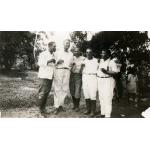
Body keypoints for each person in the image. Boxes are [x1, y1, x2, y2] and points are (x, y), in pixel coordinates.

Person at [53, 39, 74, 114]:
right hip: (59, 70)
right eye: (66, 43)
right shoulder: (57, 52)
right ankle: (56, 106)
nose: (67, 45)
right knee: (58, 88)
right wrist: (57, 62)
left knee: (65, 88)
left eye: (68, 44)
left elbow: (71, 63)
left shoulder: (71, 54)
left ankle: (61, 105)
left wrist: (70, 66)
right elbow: (53, 62)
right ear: (63, 44)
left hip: (67, 71)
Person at [97, 50, 119, 118]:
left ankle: (107, 115)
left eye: (104, 53)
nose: (102, 54)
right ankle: (102, 113)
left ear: (108, 54)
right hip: (100, 80)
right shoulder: (100, 60)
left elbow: (115, 72)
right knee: (101, 97)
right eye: (102, 53)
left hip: (108, 80)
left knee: (107, 97)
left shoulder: (112, 62)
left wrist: (106, 72)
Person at [38, 41, 56, 115]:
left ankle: (43, 108)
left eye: (55, 46)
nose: (55, 47)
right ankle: (41, 109)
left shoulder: (54, 55)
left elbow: (53, 66)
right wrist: (49, 61)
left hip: (50, 76)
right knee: (42, 93)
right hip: (44, 76)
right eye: (54, 46)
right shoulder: (43, 54)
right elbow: (39, 63)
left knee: (46, 93)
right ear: (49, 46)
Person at [81, 48, 98, 117]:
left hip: (93, 77)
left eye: (90, 52)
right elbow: (82, 68)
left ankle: (93, 111)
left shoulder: (96, 60)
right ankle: (88, 110)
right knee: (86, 94)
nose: (88, 54)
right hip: (85, 77)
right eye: (87, 52)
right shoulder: (84, 60)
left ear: (92, 53)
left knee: (92, 95)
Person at [70, 47, 85, 112]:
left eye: (77, 51)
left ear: (79, 52)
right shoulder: (72, 58)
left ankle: (77, 106)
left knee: (77, 90)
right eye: (75, 51)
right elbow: (68, 66)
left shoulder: (83, 58)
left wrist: (81, 70)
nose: (76, 52)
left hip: (79, 75)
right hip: (71, 75)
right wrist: (72, 65)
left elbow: (84, 66)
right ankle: (74, 105)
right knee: (72, 90)